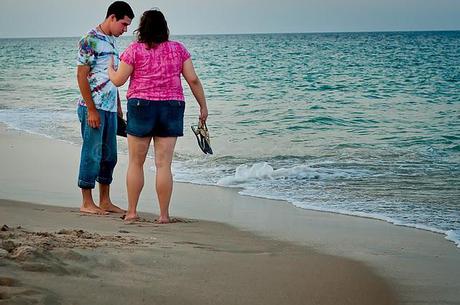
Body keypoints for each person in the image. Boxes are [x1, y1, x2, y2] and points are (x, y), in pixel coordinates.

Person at [108, 9, 208, 223]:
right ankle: (163, 216)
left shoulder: (134, 50)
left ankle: (132, 212)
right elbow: (193, 80)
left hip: (141, 105)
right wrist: (203, 107)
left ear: (141, 28)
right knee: (164, 164)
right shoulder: (178, 49)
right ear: (164, 28)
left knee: (136, 162)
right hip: (171, 107)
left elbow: (118, 81)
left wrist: (110, 69)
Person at [76, 1, 134, 215]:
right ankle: (86, 202)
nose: (125, 29)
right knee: (92, 153)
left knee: (110, 156)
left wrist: (118, 108)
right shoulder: (89, 39)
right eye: (124, 24)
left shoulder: (111, 41)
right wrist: (91, 110)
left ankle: (105, 201)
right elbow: (81, 76)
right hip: (92, 107)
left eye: (128, 25)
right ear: (112, 18)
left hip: (110, 109)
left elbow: (112, 77)